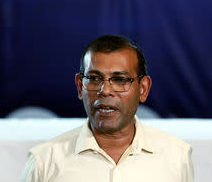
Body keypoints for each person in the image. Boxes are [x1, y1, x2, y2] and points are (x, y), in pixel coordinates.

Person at [21, 35, 194, 182]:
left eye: (120, 80)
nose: (105, 91)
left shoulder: (176, 156)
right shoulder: (44, 161)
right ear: (80, 86)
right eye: (94, 79)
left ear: (143, 89)